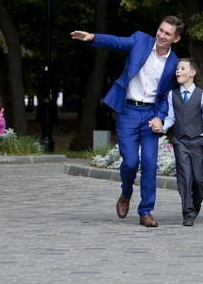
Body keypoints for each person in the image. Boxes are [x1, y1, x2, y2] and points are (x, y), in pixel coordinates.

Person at [70, 16, 183, 228]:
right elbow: (117, 42)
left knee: (150, 163)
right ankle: (126, 193)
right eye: (160, 30)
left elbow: (166, 96)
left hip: (150, 115)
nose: (161, 35)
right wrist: (93, 38)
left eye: (167, 33)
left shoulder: (174, 63)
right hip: (128, 111)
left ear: (175, 39)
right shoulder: (141, 40)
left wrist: (160, 117)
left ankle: (146, 211)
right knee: (130, 162)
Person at [157, 58, 203, 227]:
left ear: (192, 73)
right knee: (184, 176)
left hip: (197, 141)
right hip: (180, 141)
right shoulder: (172, 95)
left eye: (182, 68)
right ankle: (188, 212)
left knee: (198, 179)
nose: (177, 71)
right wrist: (162, 128)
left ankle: (197, 200)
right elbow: (171, 117)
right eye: (177, 69)